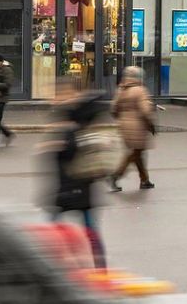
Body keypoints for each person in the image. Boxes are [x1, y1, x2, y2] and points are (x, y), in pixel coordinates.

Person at [44, 91, 110, 267]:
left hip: (67, 192)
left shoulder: (70, 137)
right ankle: (101, 267)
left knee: (51, 232)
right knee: (91, 233)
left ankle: (48, 268)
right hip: (84, 194)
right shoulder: (88, 136)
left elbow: (62, 162)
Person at [110, 66, 156, 191]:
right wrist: (151, 124)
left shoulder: (121, 89)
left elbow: (113, 109)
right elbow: (145, 111)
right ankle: (116, 175)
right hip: (138, 128)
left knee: (137, 153)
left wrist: (121, 119)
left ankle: (145, 180)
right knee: (135, 154)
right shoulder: (140, 90)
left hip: (124, 127)